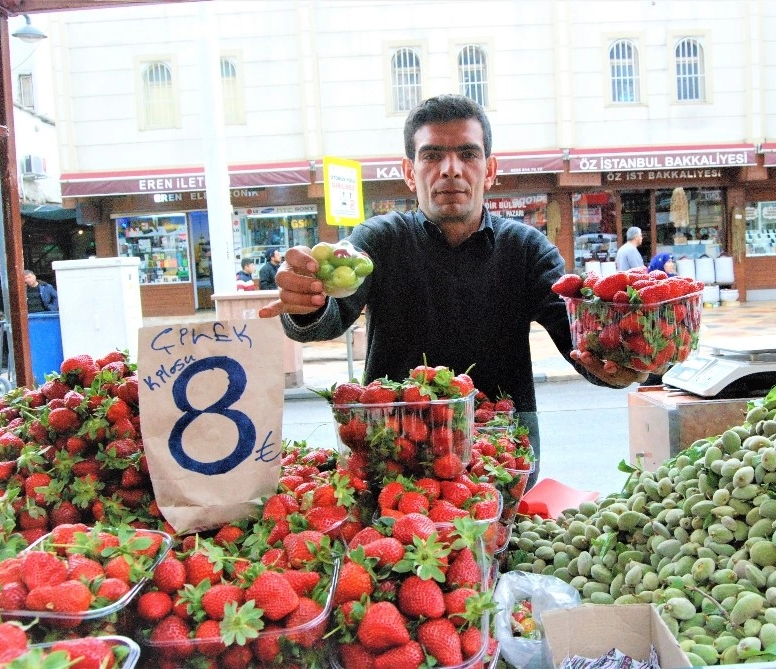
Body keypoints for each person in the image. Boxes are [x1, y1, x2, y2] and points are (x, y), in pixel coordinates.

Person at [259, 93, 638, 482]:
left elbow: (577, 333)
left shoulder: (526, 249)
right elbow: (332, 313)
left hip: (501, 460)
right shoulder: (380, 239)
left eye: (468, 155)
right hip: (395, 456)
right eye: (432, 155)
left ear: (490, 170)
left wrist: (618, 361)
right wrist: (306, 302)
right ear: (409, 172)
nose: (451, 169)